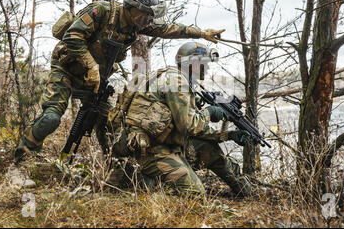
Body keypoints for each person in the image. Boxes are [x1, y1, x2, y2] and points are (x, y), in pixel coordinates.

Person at [14, 0, 224, 163]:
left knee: (110, 123)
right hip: (67, 69)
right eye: (146, 17)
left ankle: (113, 166)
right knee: (51, 118)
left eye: (150, 19)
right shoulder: (102, 10)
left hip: (96, 81)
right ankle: (23, 158)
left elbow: (168, 29)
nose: (148, 22)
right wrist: (91, 67)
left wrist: (202, 33)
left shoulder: (136, 25)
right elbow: (72, 36)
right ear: (133, 9)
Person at [108, 41, 256, 197]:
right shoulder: (177, 82)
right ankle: (136, 180)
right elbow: (187, 126)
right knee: (195, 194)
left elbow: (192, 128)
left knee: (210, 149)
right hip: (152, 150)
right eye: (203, 64)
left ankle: (246, 192)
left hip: (167, 143)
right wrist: (209, 112)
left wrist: (226, 136)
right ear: (191, 64)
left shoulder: (178, 79)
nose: (206, 68)